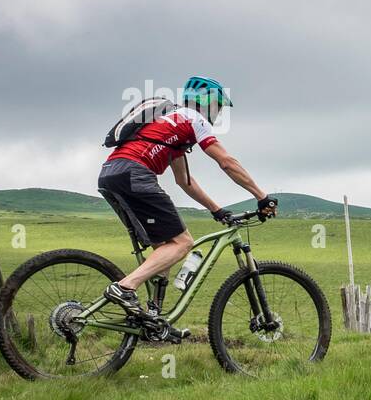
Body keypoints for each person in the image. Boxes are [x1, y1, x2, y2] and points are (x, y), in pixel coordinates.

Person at [97, 76, 277, 317]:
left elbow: (185, 182)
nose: (219, 113)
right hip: (134, 174)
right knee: (183, 243)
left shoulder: (171, 125)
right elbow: (226, 162)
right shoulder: (194, 118)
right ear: (206, 102)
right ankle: (125, 287)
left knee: (164, 247)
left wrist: (217, 210)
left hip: (111, 174)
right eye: (218, 107)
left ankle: (154, 316)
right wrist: (261, 196)